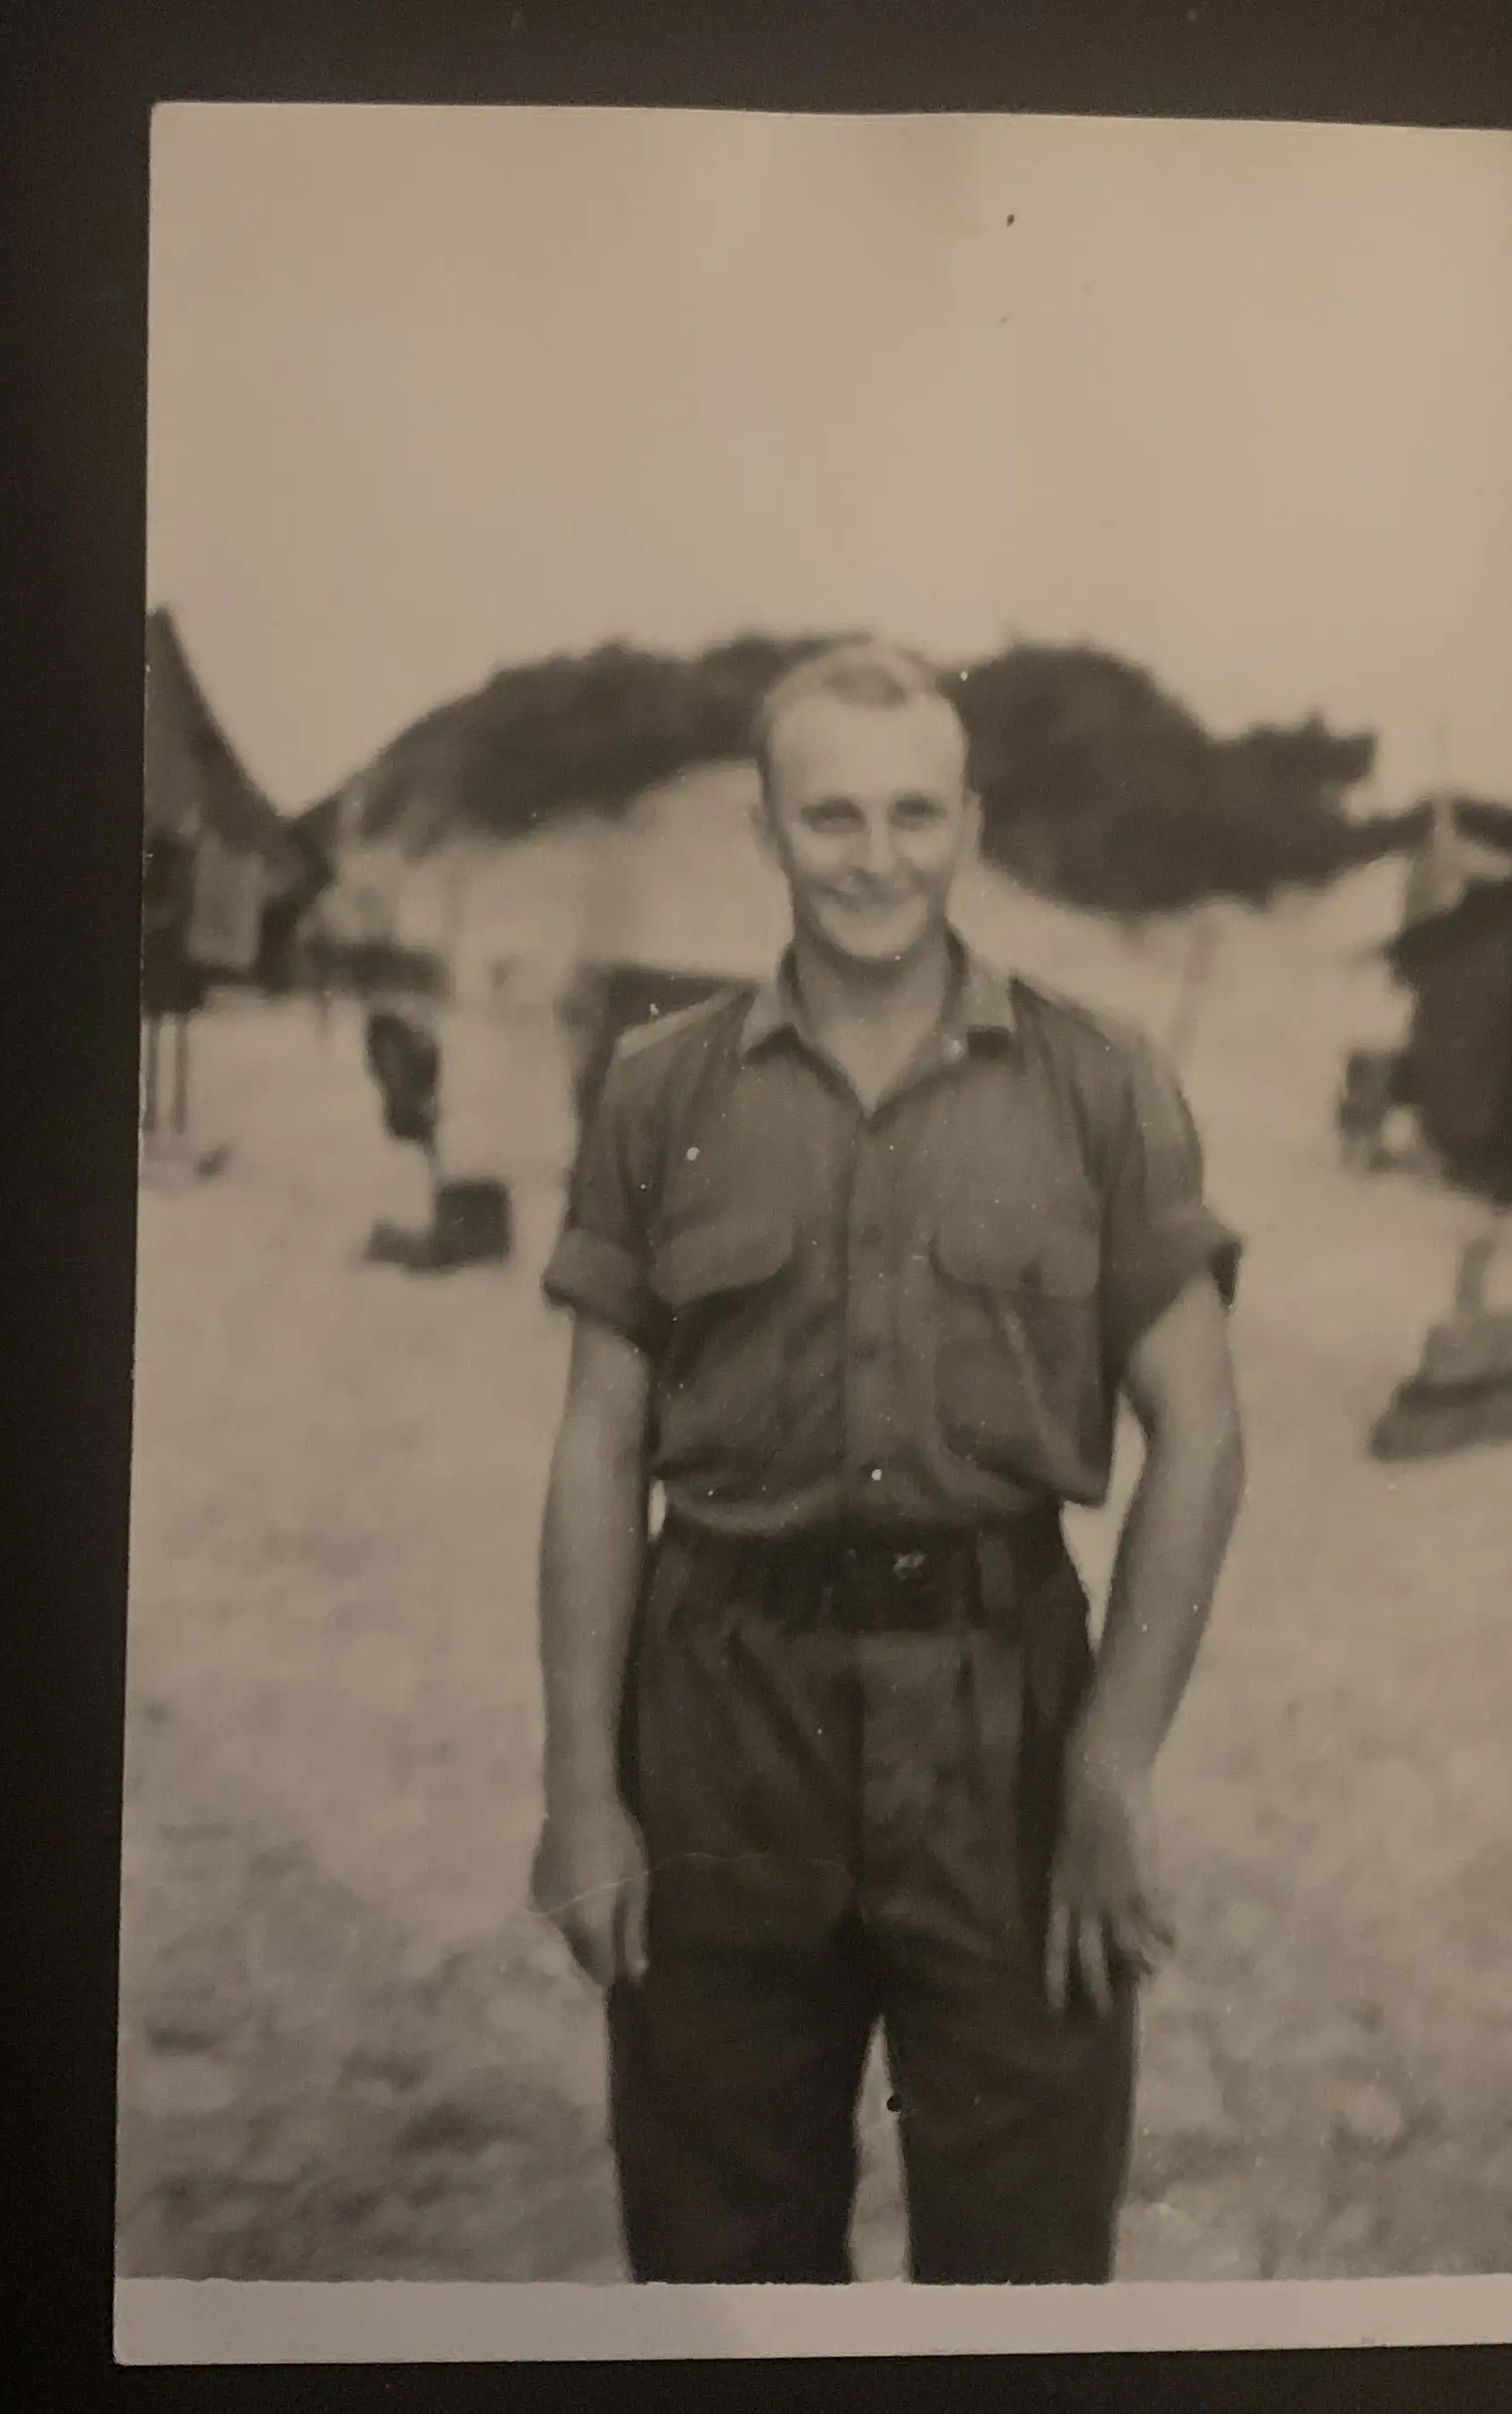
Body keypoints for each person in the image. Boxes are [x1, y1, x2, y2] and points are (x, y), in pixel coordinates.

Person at [530, 639, 1249, 2284]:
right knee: (723, 2252)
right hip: (720, 1719)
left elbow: (1201, 1431)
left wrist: (1115, 1760)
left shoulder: (1099, 1081)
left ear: (973, 825)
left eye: (914, 814)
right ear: (766, 829)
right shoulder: (661, 1091)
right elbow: (595, 1445)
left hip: (1004, 1719)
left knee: (1023, 2260)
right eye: (832, 815)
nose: (875, 856)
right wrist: (582, 1789)